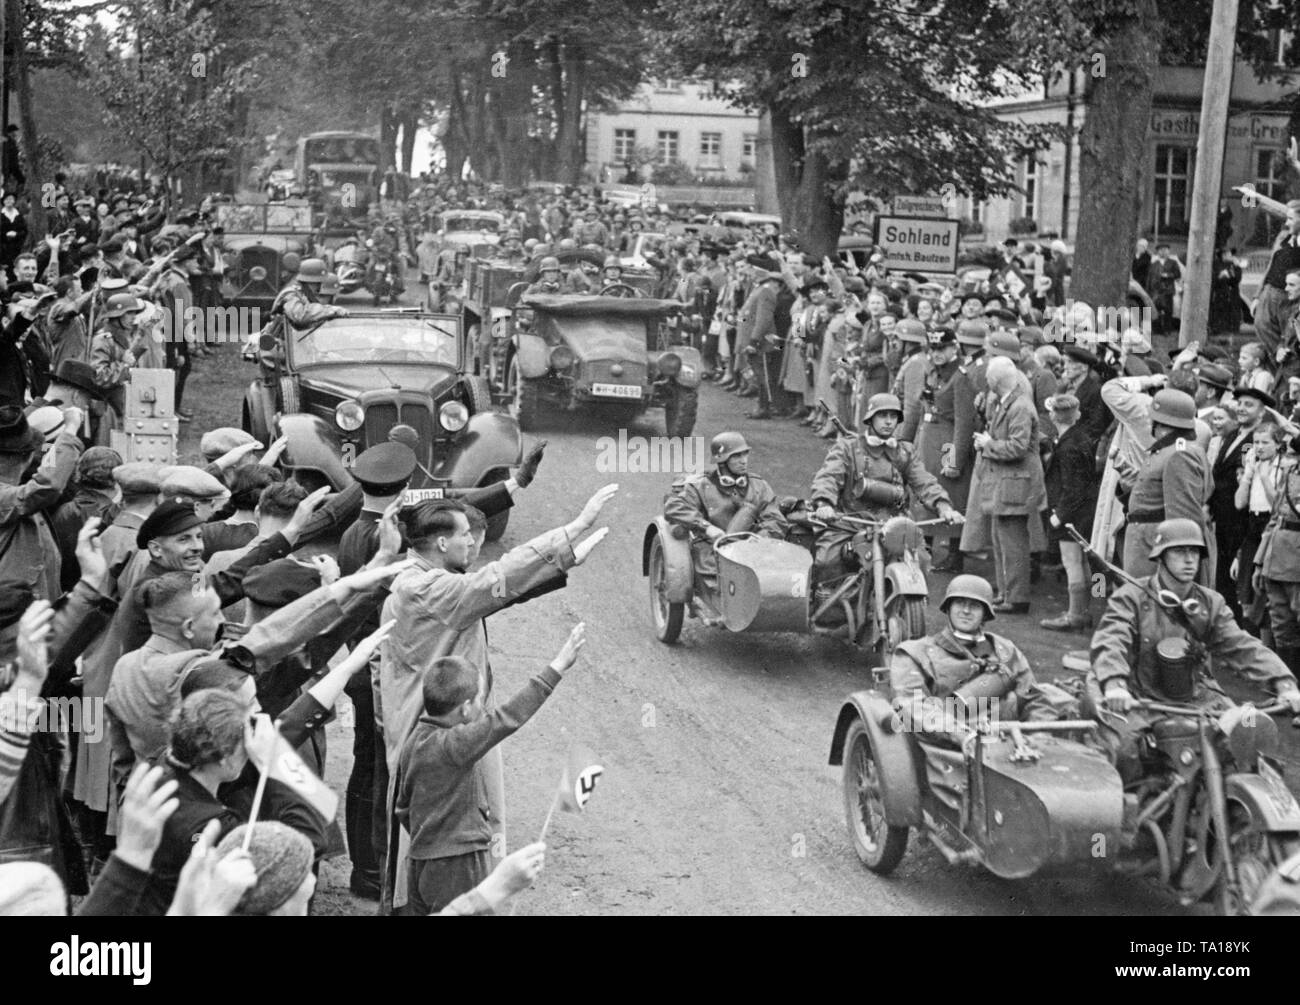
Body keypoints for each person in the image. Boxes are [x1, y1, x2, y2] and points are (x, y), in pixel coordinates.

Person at [379, 484, 615, 913]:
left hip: (436, 726)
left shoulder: (419, 581)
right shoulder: (425, 589)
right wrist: (572, 530)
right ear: (442, 542)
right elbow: (488, 585)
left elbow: (485, 596)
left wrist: (563, 559)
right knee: (455, 841)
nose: (474, 541)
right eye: (466, 534)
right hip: (444, 731)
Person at [1087, 519, 1300, 783]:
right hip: (1138, 694)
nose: (1189, 560)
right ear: (1161, 557)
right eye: (1179, 552)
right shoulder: (1130, 597)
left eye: (1194, 552)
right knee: (1125, 752)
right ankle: (1131, 819)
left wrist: (1285, 682)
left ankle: (1231, 812)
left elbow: (1241, 645)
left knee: (1249, 736)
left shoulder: (1210, 603)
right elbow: (1111, 639)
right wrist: (1114, 684)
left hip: (1195, 696)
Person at [397, 622, 585, 914]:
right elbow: (507, 718)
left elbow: (403, 809)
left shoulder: (414, 741)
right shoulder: (456, 743)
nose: (483, 706)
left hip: (420, 862)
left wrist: (432, 837)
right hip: (457, 865)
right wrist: (558, 666)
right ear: (465, 709)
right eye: (480, 699)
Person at [809, 393, 961, 616]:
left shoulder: (904, 452)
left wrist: (943, 506)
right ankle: (829, 611)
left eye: (893, 416)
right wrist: (824, 503)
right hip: (852, 523)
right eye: (882, 416)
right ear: (870, 419)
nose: (889, 421)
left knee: (922, 560)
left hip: (894, 524)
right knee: (827, 559)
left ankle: (910, 610)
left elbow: (924, 481)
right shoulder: (848, 447)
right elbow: (828, 477)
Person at [890, 574, 1058, 759]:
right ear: (948, 608)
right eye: (960, 603)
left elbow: (1035, 700)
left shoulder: (1005, 651)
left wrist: (1039, 737)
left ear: (985, 613)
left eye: (975, 605)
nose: (966, 611)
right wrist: (960, 735)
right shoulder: (915, 652)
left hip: (1009, 749)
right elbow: (913, 707)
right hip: (946, 750)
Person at [663, 432, 787, 611]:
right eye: (736, 456)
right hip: (712, 550)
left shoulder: (759, 486)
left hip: (753, 547)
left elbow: (775, 518)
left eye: (745, 454)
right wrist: (707, 527)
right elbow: (674, 507)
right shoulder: (700, 485)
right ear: (722, 459)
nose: (743, 460)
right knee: (722, 583)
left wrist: (761, 536)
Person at [970, 356, 1045, 614]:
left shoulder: (1020, 407)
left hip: (1015, 485)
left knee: (1012, 544)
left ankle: (1016, 596)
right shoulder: (1010, 403)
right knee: (1001, 540)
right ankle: (1006, 593)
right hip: (1007, 483)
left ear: (994, 381)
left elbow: (1018, 447)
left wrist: (987, 444)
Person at [1121, 388, 1213, 581]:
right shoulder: (1172, 450)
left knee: (1156, 604)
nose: (1149, 422)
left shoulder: (1179, 454)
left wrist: (1175, 561)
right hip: (1148, 541)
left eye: (1152, 418)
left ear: (1164, 424)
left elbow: (1183, 516)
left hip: (1155, 545)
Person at [1040, 393, 1099, 631]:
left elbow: (1072, 488)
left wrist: (1058, 516)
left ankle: (1075, 615)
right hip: (1085, 513)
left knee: (1072, 562)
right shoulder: (1080, 438)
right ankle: (1085, 611)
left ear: (1055, 415)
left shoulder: (1068, 447)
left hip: (1071, 516)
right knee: (1084, 562)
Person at [1234, 421, 1284, 633]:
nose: (1260, 447)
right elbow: (1239, 503)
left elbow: (1278, 506)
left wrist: (1264, 477)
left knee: (1264, 601)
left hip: (1271, 529)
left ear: (1277, 444)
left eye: (1265, 442)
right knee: (1246, 597)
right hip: (1252, 530)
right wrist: (1248, 475)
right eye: (1256, 443)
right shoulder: (1252, 465)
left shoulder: (1284, 466)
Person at [1252, 200, 1300, 360]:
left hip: (1290, 296)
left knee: (1289, 336)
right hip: (1270, 291)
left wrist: (1257, 196)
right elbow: (1270, 268)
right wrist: (1257, 296)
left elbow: (1281, 210)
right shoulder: (1283, 239)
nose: (1287, 222)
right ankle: (1278, 364)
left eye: (1291, 219)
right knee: (1261, 326)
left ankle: (1287, 370)